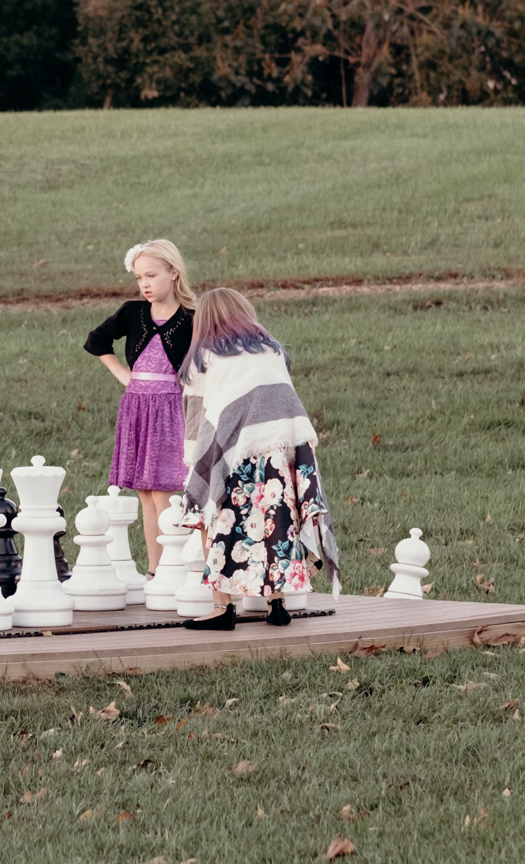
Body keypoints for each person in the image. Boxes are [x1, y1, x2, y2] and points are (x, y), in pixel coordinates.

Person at [178, 287, 340, 631]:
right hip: (281, 450)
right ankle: (276, 603)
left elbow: (198, 417)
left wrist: (195, 466)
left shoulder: (205, 356)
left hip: (234, 453)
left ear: (204, 320)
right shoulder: (272, 350)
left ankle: (222, 609)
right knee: (273, 520)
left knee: (215, 519)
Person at [82, 239, 196, 575]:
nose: (144, 284)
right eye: (138, 278)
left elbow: (208, 360)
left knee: (164, 488)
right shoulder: (133, 313)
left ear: (173, 272)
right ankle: (155, 567)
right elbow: (96, 340)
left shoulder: (192, 318)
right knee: (146, 491)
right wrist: (121, 372)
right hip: (137, 407)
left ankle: (178, 566)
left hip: (171, 409)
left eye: (151, 275)